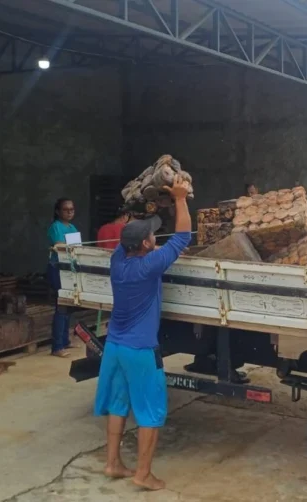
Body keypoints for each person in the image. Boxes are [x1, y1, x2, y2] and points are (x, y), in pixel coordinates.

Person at [94, 175, 192, 490]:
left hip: (115, 348)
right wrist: (179, 198)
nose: (154, 236)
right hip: (140, 351)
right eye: (151, 235)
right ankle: (143, 473)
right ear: (147, 245)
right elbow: (182, 237)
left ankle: (112, 463)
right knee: (150, 411)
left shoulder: (119, 261)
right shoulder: (149, 266)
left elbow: (144, 242)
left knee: (118, 404)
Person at [47, 198, 79, 358]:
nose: (69, 212)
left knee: (68, 304)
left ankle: (65, 340)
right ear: (58, 211)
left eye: (72, 209)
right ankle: (57, 346)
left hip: (69, 269)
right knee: (61, 306)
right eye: (66, 209)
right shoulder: (55, 227)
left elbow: (77, 247)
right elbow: (60, 245)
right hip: (57, 269)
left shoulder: (72, 227)